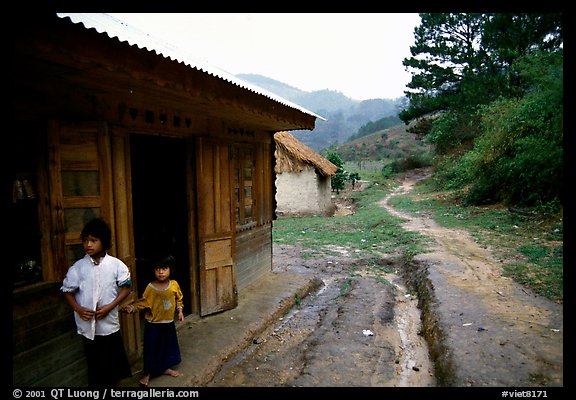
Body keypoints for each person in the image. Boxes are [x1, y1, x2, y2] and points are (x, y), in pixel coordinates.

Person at [61, 218, 133, 387]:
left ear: (104, 241)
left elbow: (126, 288)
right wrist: (78, 309)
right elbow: (67, 291)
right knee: (95, 368)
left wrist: (110, 306)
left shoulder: (116, 265)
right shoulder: (78, 268)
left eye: (94, 240)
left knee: (113, 367)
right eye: (85, 240)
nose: (88, 245)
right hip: (88, 328)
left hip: (109, 325)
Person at [122, 254, 184, 387]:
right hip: (153, 325)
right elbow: (143, 303)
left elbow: (179, 298)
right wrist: (132, 308)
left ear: (170, 270)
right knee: (151, 349)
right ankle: (147, 373)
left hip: (168, 323)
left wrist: (180, 311)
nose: (161, 272)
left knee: (166, 347)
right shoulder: (151, 288)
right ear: (153, 271)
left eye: (164, 269)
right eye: (157, 269)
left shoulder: (174, 285)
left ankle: (165, 368)